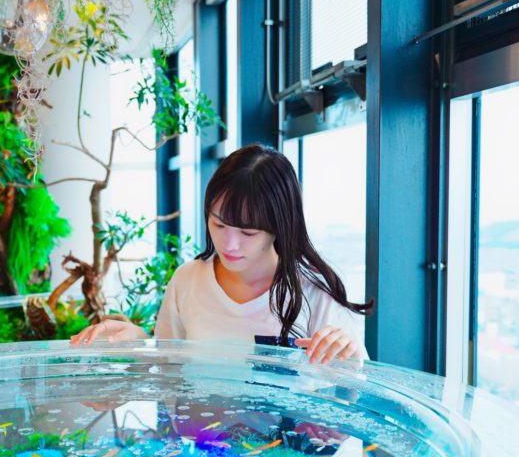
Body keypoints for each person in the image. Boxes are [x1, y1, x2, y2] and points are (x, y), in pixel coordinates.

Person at [71, 144, 374, 364]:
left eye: (248, 232)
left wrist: (348, 351)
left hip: (283, 437)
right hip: (197, 433)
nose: (229, 245)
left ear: (279, 227)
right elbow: (168, 366)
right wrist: (138, 341)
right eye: (218, 224)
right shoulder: (188, 279)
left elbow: (356, 385)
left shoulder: (314, 291)